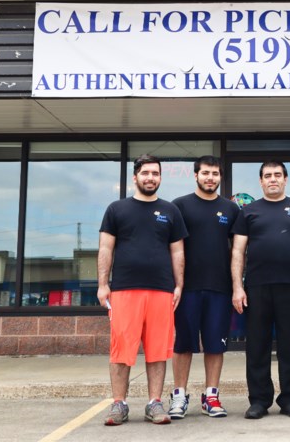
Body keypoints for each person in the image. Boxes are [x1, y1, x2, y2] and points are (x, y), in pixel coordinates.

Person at [97, 155, 187, 426]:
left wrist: (179, 283)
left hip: (161, 290)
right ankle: (118, 404)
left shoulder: (170, 211)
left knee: (158, 349)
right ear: (135, 177)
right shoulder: (117, 209)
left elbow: (178, 251)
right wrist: (103, 284)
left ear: (160, 178)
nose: (150, 178)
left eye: (155, 173)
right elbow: (105, 248)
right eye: (145, 173)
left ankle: (154, 403)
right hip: (124, 290)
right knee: (121, 349)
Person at [231, 160, 290, 419]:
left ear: (285, 179)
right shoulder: (249, 211)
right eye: (267, 175)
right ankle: (259, 400)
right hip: (256, 287)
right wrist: (237, 286)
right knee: (256, 345)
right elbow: (238, 251)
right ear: (260, 181)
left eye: (277, 175)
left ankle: (289, 398)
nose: (272, 179)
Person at [168, 156, 240, 419]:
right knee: (183, 344)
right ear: (196, 175)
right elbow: (172, 249)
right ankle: (178, 396)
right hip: (186, 289)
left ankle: (211, 396)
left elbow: (238, 252)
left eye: (215, 174)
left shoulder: (231, 210)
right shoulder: (179, 206)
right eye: (206, 173)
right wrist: (175, 284)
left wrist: (236, 286)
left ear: (221, 177)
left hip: (219, 289)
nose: (211, 178)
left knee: (215, 345)